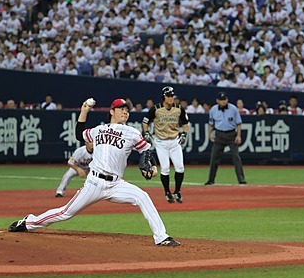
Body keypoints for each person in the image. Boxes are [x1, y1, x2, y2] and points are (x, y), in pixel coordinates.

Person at [9, 98, 180, 246]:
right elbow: (78, 135)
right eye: (121, 109)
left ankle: (161, 237)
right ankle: (30, 222)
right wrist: (84, 111)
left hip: (116, 184)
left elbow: (147, 151)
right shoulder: (98, 130)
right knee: (66, 213)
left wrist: (153, 166)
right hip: (94, 182)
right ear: (112, 111)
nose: (125, 112)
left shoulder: (132, 133)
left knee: (142, 196)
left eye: (127, 109)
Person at [142, 86, 190, 204]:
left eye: (172, 96)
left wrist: (184, 134)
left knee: (180, 167)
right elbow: (145, 121)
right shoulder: (156, 109)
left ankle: (177, 191)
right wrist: (146, 133)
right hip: (161, 142)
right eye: (169, 96)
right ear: (164, 97)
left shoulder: (179, 109)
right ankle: (167, 192)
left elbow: (185, 122)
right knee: (165, 168)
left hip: (175, 141)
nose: (171, 98)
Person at [205, 92, 246, 185]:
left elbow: (239, 123)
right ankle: (211, 180)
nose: (224, 102)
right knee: (214, 157)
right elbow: (211, 124)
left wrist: (238, 135)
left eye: (225, 99)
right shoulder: (213, 110)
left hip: (231, 134)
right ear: (217, 101)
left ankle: (241, 179)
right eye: (222, 100)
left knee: (236, 157)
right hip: (219, 135)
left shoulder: (233, 109)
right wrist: (209, 134)